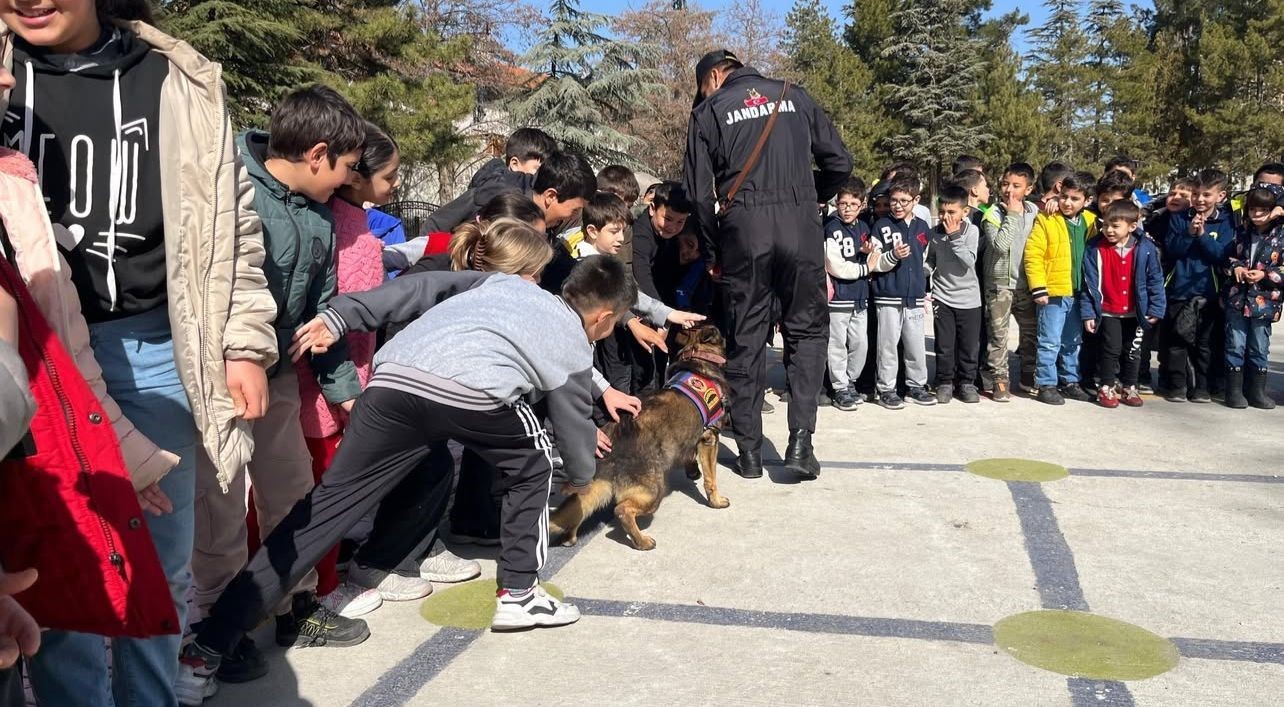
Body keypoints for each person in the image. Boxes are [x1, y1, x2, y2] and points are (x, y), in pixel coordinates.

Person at [179, 252, 636, 698]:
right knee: (533, 463)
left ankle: (205, 650)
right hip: (471, 392)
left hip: (393, 382)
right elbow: (574, 423)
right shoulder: (574, 342)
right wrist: (581, 475)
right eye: (612, 325)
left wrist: (343, 315)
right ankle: (520, 594)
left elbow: (422, 287)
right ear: (604, 317)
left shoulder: (503, 283)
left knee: (322, 513)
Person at [1, 2, 280, 702]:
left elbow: (233, 222)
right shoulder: (0, 68)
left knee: (161, 562)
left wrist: (243, 343)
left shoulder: (177, 78)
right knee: (59, 567)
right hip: (26, 354)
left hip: (155, 346)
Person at [191, 85, 370, 678]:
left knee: (292, 494)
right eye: (346, 167)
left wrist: (345, 392)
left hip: (280, 377)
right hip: (219, 377)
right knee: (220, 505)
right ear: (317, 155)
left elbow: (323, 312)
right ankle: (216, 625)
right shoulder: (230, 188)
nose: (349, 180)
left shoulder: (319, 215)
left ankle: (294, 605)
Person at [683, 48, 852, 480]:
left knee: (747, 339)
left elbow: (699, 195)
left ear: (714, 77)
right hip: (800, 226)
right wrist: (807, 195)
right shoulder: (796, 95)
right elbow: (840, 162)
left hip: (744, 231)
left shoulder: (708, 113)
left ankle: (750, 453)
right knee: (807, 332)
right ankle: (801, 442)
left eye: (702, 89)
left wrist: (714, 250)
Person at [382, 127, 557, 269]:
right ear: (514, 164)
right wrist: (438, 262)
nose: (539, 177)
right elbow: (437, 223)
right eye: (537, 169)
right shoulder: (490, 190)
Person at [1080, 200, 1165, 408]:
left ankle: (1129, 387)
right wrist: (1088, 312)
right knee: (1111, 349)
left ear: (1132, 226)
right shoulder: (1095, 248)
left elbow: (1155, 279)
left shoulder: (1145, 248)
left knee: (1133, 350)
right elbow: (1088, 284)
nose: (1109, 230)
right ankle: (1106, 386)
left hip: (1136, 312)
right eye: (1106, 225)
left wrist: (1156, 308)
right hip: (1108, 311)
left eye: (1115, 226)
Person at [1161, 168, 1235, 403]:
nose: (1199, 199)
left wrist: (1202, 235)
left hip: (1208, 292)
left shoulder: (1225, 221)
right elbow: (1172, 250)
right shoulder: (1180, 218)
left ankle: (1201, 386)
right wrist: (1189, 233)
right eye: (1195, 194)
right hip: (1179, 289)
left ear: (1220, 196)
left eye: (1206, 195)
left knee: (1205, 343)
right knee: (1177, 341)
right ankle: (1177, 385)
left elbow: (1222, 255)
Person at [1024, 173, 1097, 405]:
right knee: (1049, 341)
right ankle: (1046, 384)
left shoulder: (1092, 222)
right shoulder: (1047, 219)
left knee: (1072, 341)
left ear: (1087, 200)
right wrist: (1038, 287)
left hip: (1079, 293)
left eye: (1075, 198)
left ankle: (1070, 381)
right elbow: (1033, 254)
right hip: (1053, 293)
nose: (1067, 202)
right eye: (1064, 196)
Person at [870, 179, 933, 409]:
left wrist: (924, 284)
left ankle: (916, 386)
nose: (897, 205)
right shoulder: (881, 226)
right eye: (894, 200)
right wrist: (893, 256)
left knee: (915, 344)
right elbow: (874, 263)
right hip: (888, 295)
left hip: (914, 296)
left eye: (904, 201)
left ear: (916, 200)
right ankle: (886, 389)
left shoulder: (922, 227)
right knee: (887, 345)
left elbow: (925, 259)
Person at [980, 163, 1039, 401]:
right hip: (1000, 285)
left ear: (1028, 189)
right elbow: (1000, 245)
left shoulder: (1034, 211)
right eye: (1005, 184)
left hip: (1027, 285)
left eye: (1016, 186)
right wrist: (1012, 215)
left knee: (1031, 333)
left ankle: (1028, 374)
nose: (1009, 190)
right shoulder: (993, 214)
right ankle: (1000, 379)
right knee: (998, 335)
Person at [1222, 187, 1284, 410]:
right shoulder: (1241, 232)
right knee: (1235, 343)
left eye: (1263, 210)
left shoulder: (1281, 236)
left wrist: (1265, 275)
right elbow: (1228, 257)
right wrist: (1236, 267)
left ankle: (1257, 391)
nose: (1257, 215)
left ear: (1273, 210)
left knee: (1259, 345)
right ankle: (1234, 391)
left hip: (1265, 301)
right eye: (1253, 209)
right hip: (1238, 299)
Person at [928, 186, 982, 404]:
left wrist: (954, 236)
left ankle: (967, 382)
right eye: (942, 212)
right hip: (942, 297)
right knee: (944, 344)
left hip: (969, 299)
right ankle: (945, 381)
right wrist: (921, 271)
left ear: (964, 212)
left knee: (969, 345)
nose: (945, 217)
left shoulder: (972, 232)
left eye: (951, 212)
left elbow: (969, 261)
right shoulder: (934, 233)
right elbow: (931, 260)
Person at [824, 177, 874, 411]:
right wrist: (864, 268)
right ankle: (840, 388)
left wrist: (867, 254)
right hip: (838, 298)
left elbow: (873, 257)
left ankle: (850, 380)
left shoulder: (864, 228)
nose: (847, 209)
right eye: (843, 203)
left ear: (862, 205)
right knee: (837, 345)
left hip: (860, 298)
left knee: (860, 344)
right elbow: (835, 265)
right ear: (837, 203)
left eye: (853, 204)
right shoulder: (831, 228)